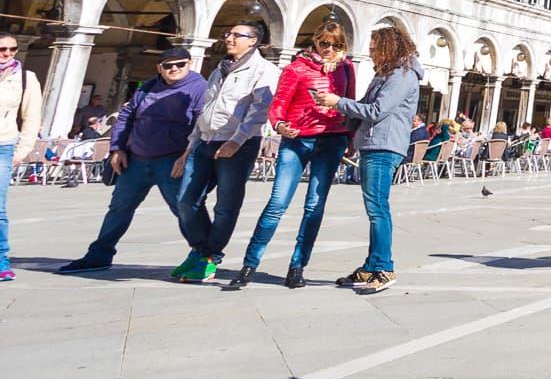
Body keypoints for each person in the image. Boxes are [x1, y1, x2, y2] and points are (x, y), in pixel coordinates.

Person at [57, 47, 207, 274]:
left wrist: (187, 156)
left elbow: (200, 125)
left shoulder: (200, 88)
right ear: (160, 67)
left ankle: (203, 255)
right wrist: (117, 148)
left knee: (184, 208)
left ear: (190, 63)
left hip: (172, 160)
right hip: (136, 159)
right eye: (168, 65)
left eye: (180, 64)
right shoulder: (147, 87)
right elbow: (126, 116)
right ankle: (99, 255)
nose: (174, 69)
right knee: (119, 207)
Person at [230, 21, 356, 290]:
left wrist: (351, 137)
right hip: (298, 139)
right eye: (325, 43)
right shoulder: (296, 68)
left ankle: (297, 267)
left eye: (336, 45)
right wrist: (280, 125)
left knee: (314, 206)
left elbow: (351, 102)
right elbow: (278, 106)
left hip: (332, 139)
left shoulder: (346, 68)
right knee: (277, 203)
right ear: (316, 42)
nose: (330, 49)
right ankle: (249, 264)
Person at [317, 24, 422, 292]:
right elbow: (363, 105)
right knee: (374, 209)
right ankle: (372, 265)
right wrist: (350, 134)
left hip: (385, 145)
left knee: (378, 209)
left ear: (389, 48)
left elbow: (377, 110)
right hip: (373, 143)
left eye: (375, 49)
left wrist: (336, 101)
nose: (372, 53)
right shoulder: (385, 74)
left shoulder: (402, 75)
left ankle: (384, 267)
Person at [174, 23, 280, 283]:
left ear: (253, 41)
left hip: (238, 145)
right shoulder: (219, 70)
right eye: (228, 34)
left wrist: (237, 141)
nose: (229, 38)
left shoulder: (265, 70)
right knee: (186, 201)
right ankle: (202, 251)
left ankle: (209, 257)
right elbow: (205, 110)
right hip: (205, 141)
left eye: (237, 35)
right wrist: (190, 146)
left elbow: (259, 111)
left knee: (226, 205)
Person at [0, 32, 44, 281]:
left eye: (12, 49)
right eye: (2, 49)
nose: (7, 54)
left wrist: (22, 150)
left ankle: (1, 258)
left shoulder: (26, 78)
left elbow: (32, 116)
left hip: (3, 145)